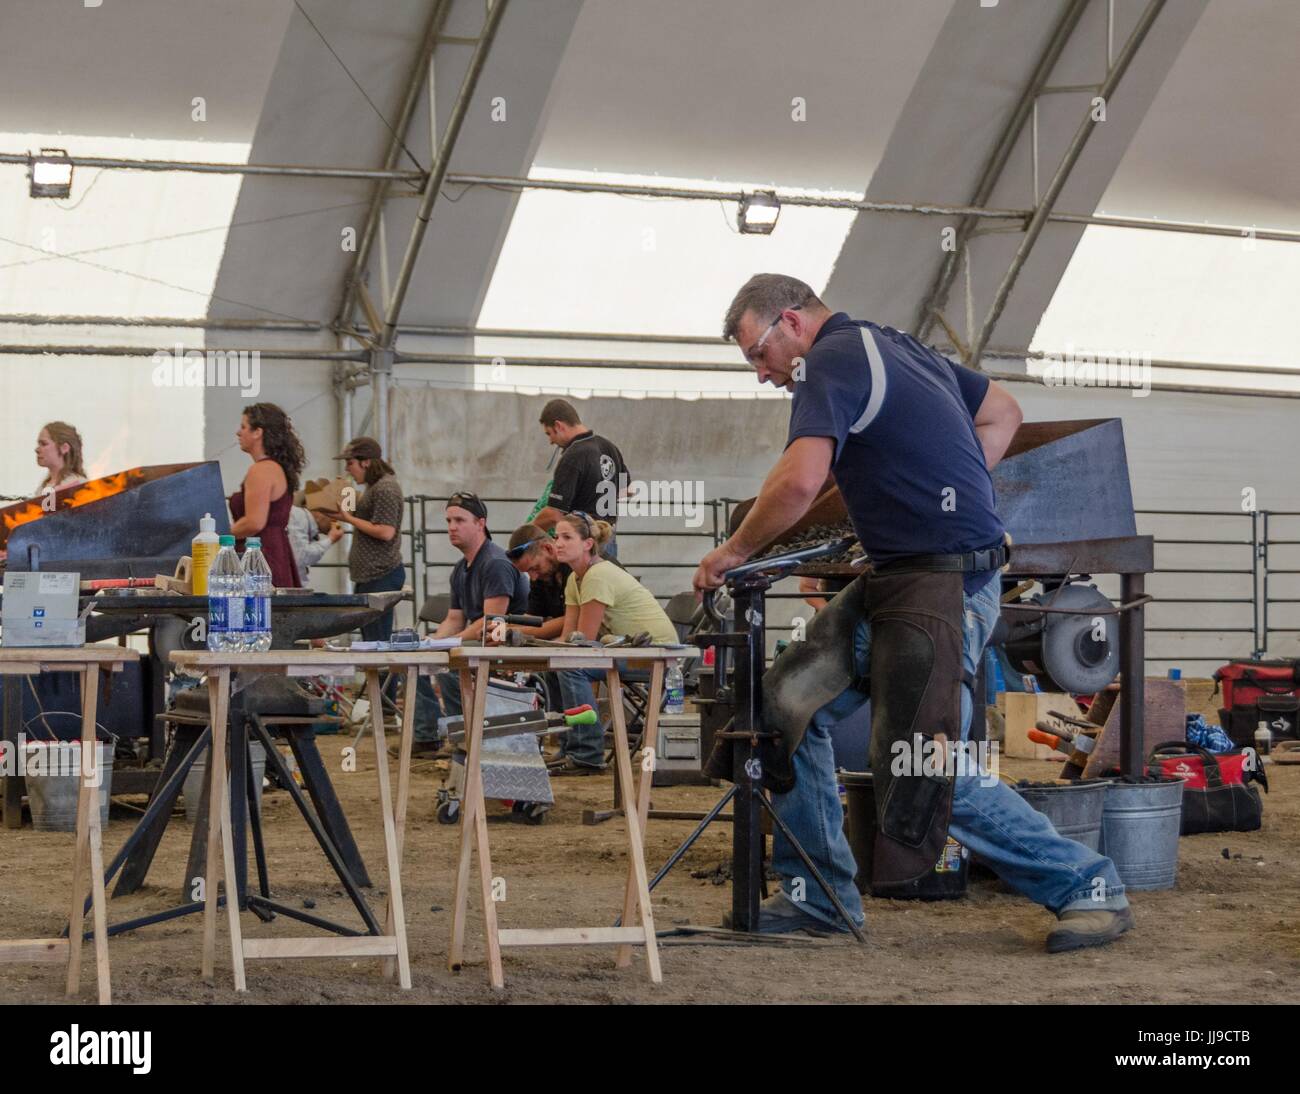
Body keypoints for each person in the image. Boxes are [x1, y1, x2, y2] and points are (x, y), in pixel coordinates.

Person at [693, 273, 1133, 954]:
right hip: (897, 576)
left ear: (791, 322)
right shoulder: (903, 350)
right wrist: (943, 487)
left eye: (758, 354)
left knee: (924, 764)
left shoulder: (830, 359)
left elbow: (802, 479)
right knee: (780, 708)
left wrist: (734, 550)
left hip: (946, 586)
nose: (761, 375)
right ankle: (820, 897)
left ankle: (1088, 884)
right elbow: (1003, 415)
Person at [553, 511, 677, 774]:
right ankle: (569, 745)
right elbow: (567, 637)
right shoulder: (574, 579)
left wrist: (554, 650)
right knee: (557, 662)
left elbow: (582, 641)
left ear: (587, 544)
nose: (558, 543)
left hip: (658, 653)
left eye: (566, 537)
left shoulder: (598, 575)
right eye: (556, 537)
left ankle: (587, 753)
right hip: (634, 650)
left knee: (571, 666)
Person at [411, 492, 529, 756]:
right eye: (449, 521)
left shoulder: (496, 563)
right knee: (413, 657)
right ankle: (430, 736)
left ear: (480, 523)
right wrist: (430, 644)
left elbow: (491, 623)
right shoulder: (461, 567)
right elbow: (454, 618)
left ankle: (466, 735)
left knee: (453, 663)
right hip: (478, 638)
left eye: (460, 520)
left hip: (503, 640)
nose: (452, 527)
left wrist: (446, 644)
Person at [327, 438, 405, 643]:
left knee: (377, 640)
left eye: (350, 463)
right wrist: (344, 492)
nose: (348, 468)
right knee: (372, 639)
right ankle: (380, 676)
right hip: (371, 576)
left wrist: (348, 518)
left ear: (366, 462)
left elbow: (386, 531)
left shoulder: (385, 488)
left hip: (381, 574)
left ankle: (386, 676)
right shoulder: (374, 487)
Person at [531, 399, 629, 560]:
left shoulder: (573, 456)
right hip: (608, 537)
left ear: (559, 426)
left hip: (582, 543)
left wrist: (528, 531)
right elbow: (627, 490)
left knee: (580, 584)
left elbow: (554, 513)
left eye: (549, 433)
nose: (551, 441)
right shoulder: (609, 447)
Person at [229, 402, 304, 588]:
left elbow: (254, 522)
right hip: (273, 552)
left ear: (258, 432)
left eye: (244, 427)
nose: (238, 433)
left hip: (261, 558)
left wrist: (217, 536)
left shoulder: (261, 470)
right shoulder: (275, 468)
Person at [506, 522, 571, 640]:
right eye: (527, 572)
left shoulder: (574, 567)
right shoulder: (541, 576)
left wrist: (508, 632)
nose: (533, 577)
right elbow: (532, 618)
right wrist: (497, 629)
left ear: (548, 548)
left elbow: (571, 621)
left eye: (535, 568)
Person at [287, 495, 344, 585]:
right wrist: (330, 539)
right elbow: (301, 557)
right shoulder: (299, 517)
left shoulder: (305, 523)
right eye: (333, 516)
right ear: (319, 512)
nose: (336, 521)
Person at [34, 421, 87, 495]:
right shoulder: (41, 490)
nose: (37, 449)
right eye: (39, 444)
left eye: (44, 444)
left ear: (64, 448)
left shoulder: (79, 485)